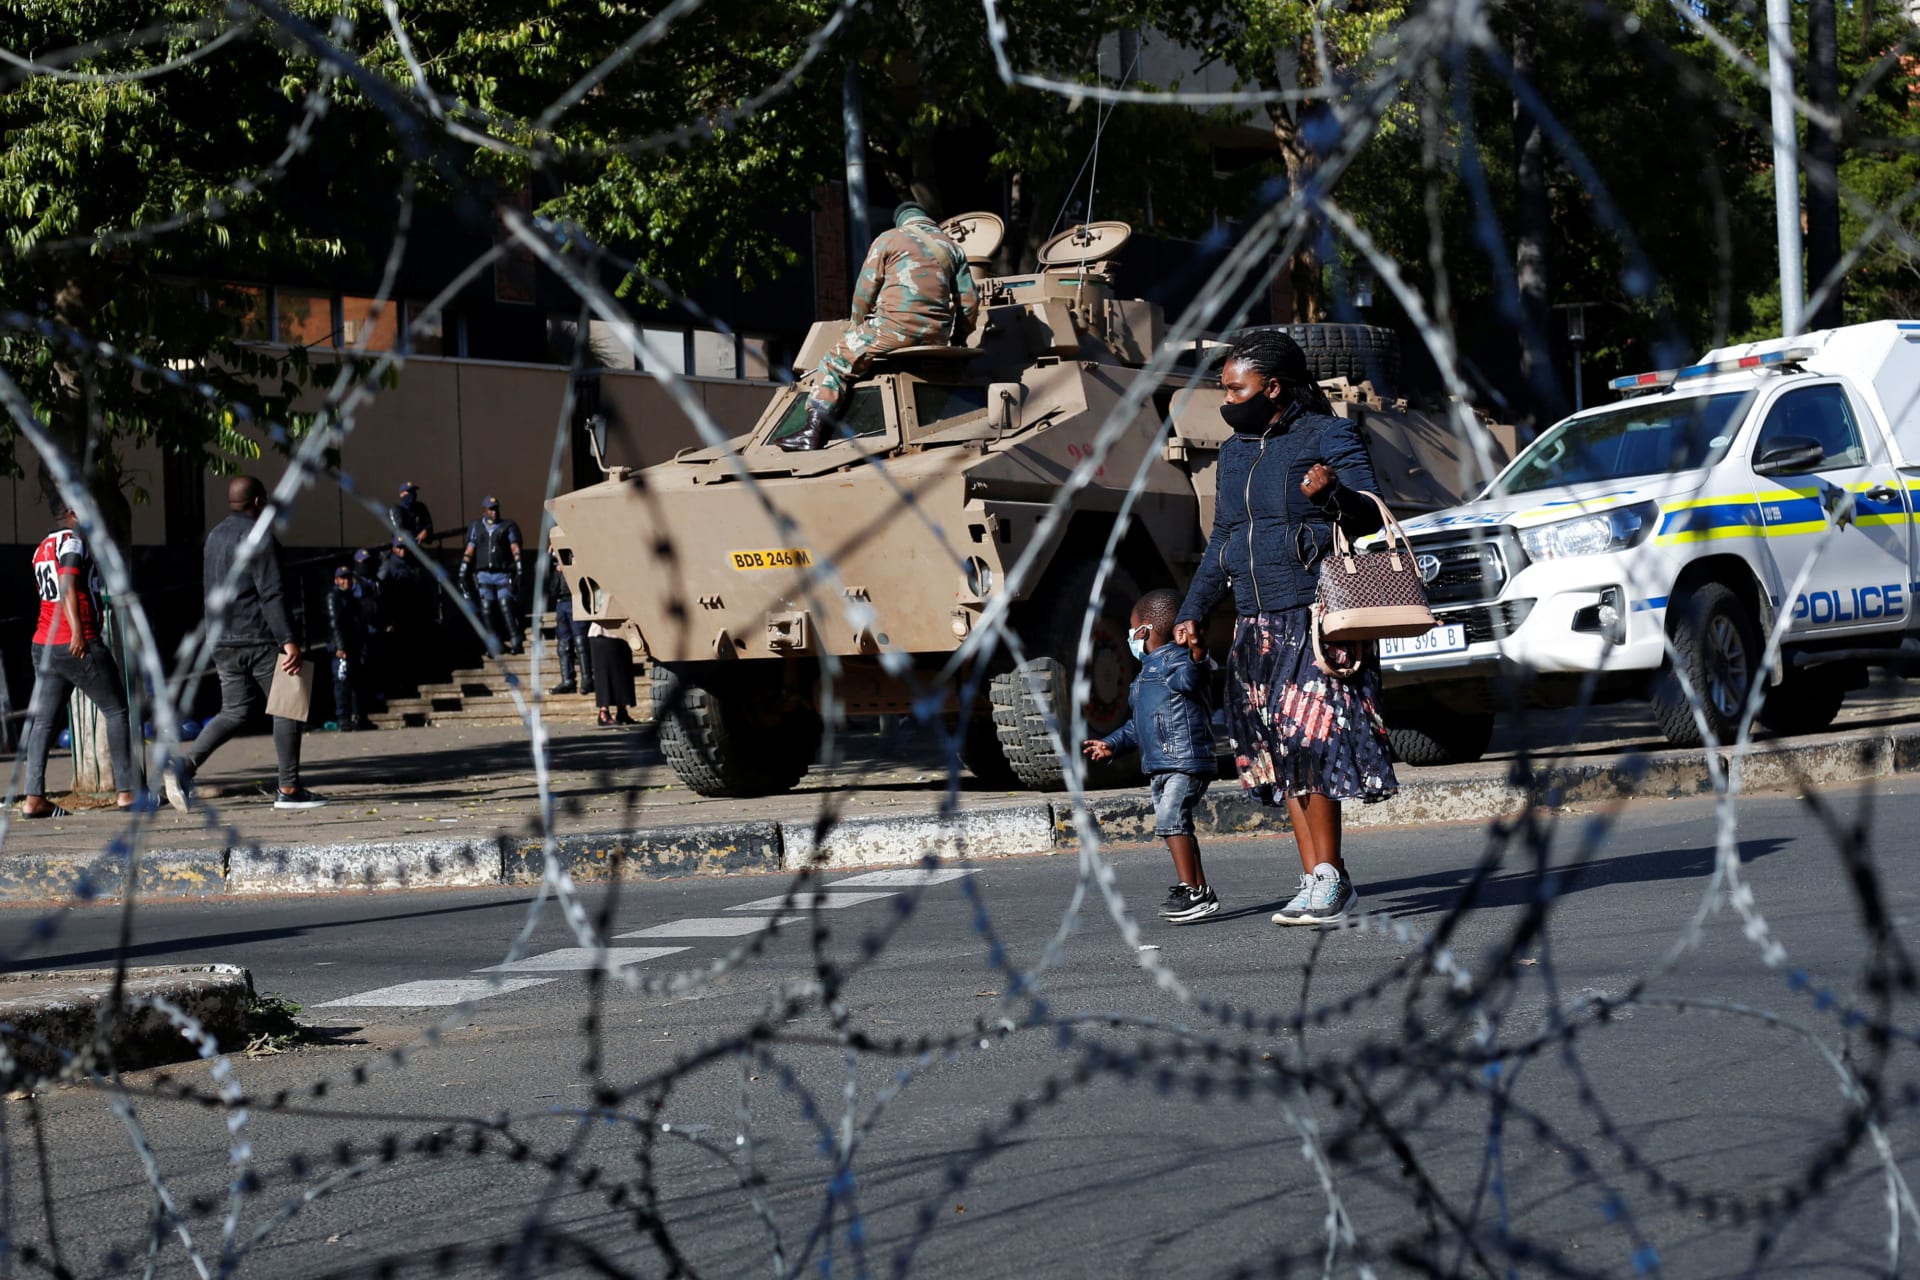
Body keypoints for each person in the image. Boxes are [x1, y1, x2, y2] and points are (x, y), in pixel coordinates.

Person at [1171, 330, 1395, 927]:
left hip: (1312, 617)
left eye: (1236, 388)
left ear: (1271, 388)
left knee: (1312, 747)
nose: (1226, 399)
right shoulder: (1236, 451)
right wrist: (1194, 608)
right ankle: (1317, 877)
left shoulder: (1327, 434)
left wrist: (1335, 495)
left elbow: (1372, 512)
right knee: (1279, 755)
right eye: (1223, 389)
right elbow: (1222, 539)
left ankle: (1329, 876)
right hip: (1254, 622)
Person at [166, 476, 326, 812]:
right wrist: (289, 640)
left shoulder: (214, 537)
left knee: (235, 711)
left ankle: (184, 766)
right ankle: (289, 788)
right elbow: (271, 592)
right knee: (288, 702)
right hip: (258, 635)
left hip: (222, 638)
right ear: (257, 501)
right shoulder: (260, 536)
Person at [780, 202, 980, 452]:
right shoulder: (952, 248)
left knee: (834, 360)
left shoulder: (889, 239)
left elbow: (865, 290)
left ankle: (812, 432)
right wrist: (958, 339)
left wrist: (856, 327)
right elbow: (970, 303)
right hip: (936, 335)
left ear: (902, 222)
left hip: (893, 329)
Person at [1082, 588, 1218, 923]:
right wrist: (1112, 743)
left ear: (1143, 631)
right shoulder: (1146, 673)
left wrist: (1198, 651)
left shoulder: (1177, 660)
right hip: (1162, 762)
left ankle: (1191, 889)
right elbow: (1137, 725)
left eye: (1132, 631)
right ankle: (1199, 890)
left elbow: (1193, 677)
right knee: (1177, 824)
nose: (1130, 638)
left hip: (1184, 760)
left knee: (1170, 820)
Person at [18, 501, 137, 816]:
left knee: (43, 721)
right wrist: (78, 633)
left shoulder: (42, 547)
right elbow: (68, 586)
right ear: (73, 513)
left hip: (43, 644)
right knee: (116, 710)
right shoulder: (73, 541)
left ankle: (33, 798)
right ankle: (128, 793)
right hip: (75, 643)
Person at [461, 496, 524, 654]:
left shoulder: (507, 526)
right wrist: (463, 569)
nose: (494, 512)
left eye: (495, 508)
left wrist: (519, 563)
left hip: (502, 573)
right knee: (487, 609)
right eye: (490, 509)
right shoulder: (476, 526)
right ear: (485, 510)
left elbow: (514, 546)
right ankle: (495, 644)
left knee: (506, 605)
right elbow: (470, 548)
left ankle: (516, 640)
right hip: (483, 574)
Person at [325, 564, 377, 731]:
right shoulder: (334, 597)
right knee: (342, 682)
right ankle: (343, 718)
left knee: (358, 682)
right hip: (342, 647)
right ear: (336, 580)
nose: (346, 581)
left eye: (348, 577)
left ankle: (360, 717)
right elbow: (335, 624)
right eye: (342, 578)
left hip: (355, 645)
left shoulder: (352, 598)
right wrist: (340, 647)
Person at [376, 536, 430, 689]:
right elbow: (381, 592)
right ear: (393, 548)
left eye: (404, 547)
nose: (402, 550)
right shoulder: (388, 566)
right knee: (398, 650)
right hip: (396, 612)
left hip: (411, 611)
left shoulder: (412, 564)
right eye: (399, 547)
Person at [547, 550, 592, 697]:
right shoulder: (553, 554)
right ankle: (567, 681)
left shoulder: (574, 545)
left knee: (581, 641)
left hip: (575, 599)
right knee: (563, 645)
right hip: (560, 601)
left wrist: (569, 566)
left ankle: (587, 679)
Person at [588, 623, 636, 726]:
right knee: (605, 673)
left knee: (622, 674)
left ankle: (622, 711)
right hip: (602, 633)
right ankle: (603, 712)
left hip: (622, 633)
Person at [387, 481, 433, 546]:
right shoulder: (396, 509)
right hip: (401, 547)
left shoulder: (420, 507)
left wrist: (426, 531)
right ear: (401, 494)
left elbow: (429, 524)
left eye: (414, 491)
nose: (413, 494)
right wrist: (417, 535)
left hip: (418, 546)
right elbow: (399, 530)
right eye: (410, 491)